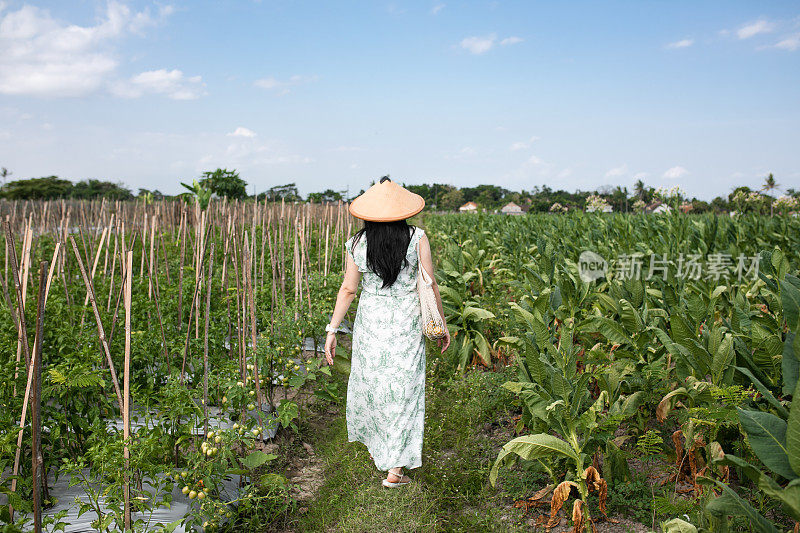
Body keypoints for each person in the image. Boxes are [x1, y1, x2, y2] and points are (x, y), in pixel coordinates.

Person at [324, 177, 450, 488]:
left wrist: (332, 330)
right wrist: (441, 325)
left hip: (372, 322)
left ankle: (384, 450)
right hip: (406, 322)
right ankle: (395, 467)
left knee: (377, 388)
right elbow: (429, 285)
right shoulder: (417, 237)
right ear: (402, 211)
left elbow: (348, 289)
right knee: (405, 391)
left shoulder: (357, 243)